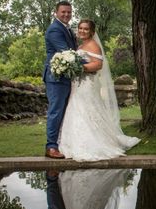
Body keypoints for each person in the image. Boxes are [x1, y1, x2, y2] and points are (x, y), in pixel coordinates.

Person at [58, 19, 140, 161]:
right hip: (78, 85)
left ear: (92, 32)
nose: (82, 31)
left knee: (87, 110)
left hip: (87, 85)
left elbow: (98, 65)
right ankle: (73, 142)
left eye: (86, 29)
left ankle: (93, 143)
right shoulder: (82, 45)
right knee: (77, 109)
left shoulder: (93, 45)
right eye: (80, 28)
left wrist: (79, 67)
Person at [43, 1, 77, 159]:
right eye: (63, 12)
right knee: (55, 112)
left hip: (65, 77)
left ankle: (60, 143)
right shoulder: (54, 30)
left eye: (69, 12)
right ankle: (50, 147)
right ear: (56, 12)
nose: (66, 15)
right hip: (56, 78)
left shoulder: (67, 29)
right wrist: (92, 64)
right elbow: (66, 52)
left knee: (64, 112)